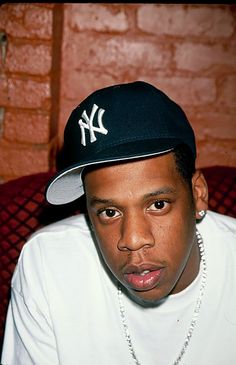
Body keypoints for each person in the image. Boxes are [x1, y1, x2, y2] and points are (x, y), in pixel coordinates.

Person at [1, 81, 236, 365]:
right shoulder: (48, 263)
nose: (133, 239)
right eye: (109, 212)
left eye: (158, 205)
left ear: (198, 194)